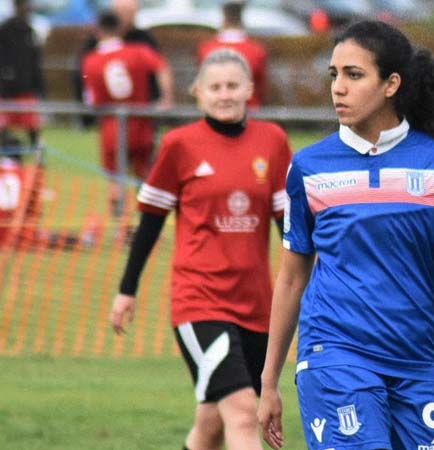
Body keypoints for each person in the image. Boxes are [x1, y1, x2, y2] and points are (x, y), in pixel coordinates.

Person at [256, 20, 434, 450]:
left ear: (391, 84)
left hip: (417, 361)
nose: (338, 87)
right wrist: (268, 383)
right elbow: (291, 278)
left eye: (354, 75)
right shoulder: (309, 166)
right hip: (335, 353)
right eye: (334, 75)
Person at [109, 48, 292, 450]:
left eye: (232, 86)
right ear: (197, 92)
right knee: (243, 411)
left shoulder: (273, 141)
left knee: (211, 423)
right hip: (200, 301)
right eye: (214, 87)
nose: (224, 94)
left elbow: (289, 229)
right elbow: (151, 222)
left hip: (258, 306)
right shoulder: (180, 144)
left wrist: (316, 283)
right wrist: (127, 290)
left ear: (249, 89)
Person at [81, 10, 174, 219]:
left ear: (98, 31)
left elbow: (92, 101)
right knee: (145, 178)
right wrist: (166, 99)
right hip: (141, 124)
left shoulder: (92, 60)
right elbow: (162, 67)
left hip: (112, 128)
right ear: (120, 29)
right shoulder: (138, 51)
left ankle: (120, 227)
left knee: (116, 180)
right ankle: (146, 222)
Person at [74, 0, 162, 128]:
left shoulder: (144, 40)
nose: (127, 17)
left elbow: (160, 68)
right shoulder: (93, 47)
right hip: (109, 114)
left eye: (131, 12)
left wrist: (161, 99)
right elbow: (83, 76)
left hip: (142, 111)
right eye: (123, 12)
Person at [197, 1, 268, 109]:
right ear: (241, 20)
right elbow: (260, 86)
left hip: (215, 107)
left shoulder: (206, 49)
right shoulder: (256, 50)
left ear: (224, 19)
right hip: (249, 107)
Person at [0, 0, 45, 150]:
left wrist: (39, 86)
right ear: (17, 7)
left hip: (26, 90)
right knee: (4, 128)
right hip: (6, 92)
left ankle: (38, 157)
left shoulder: (30, 32)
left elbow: (35, 63)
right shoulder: (5, 31)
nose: (28, 9)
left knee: (32, 127)